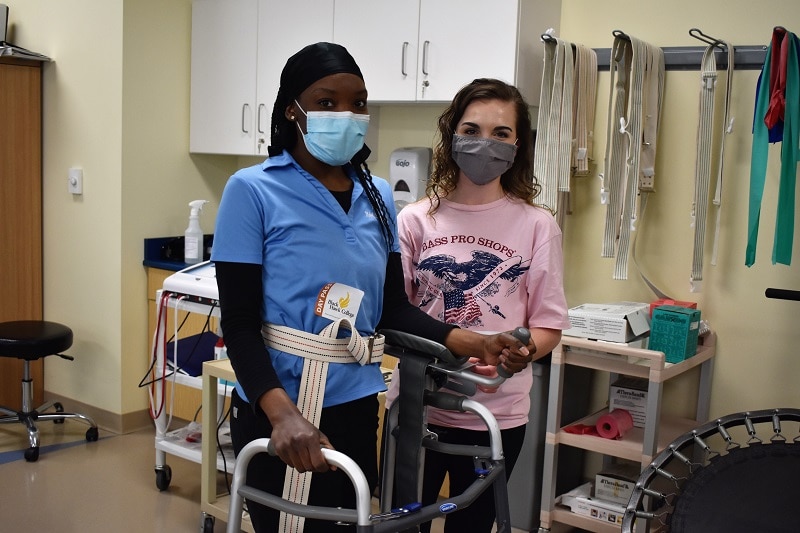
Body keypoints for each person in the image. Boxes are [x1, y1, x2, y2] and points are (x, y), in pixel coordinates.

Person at [210, 44, 533, 533]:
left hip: (357, 404)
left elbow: (392, 310)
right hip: (282, 411)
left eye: (358, 102)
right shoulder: (252, 190)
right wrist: (282, 415)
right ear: (291, 110)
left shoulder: (377, 194)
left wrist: (477, 342)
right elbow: (237, 324)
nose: (346, 114)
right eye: (326, 102)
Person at [385, 78, 571, 533]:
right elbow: (393, 313)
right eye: (471, 129)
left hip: (495, 415)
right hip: (415, 407)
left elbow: (547, 324)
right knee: (401, 526)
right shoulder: (414, 219)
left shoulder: (537, 226)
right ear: (452, 136)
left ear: (517, 144)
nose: (484, 144)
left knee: (474, 526)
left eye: (501, 133)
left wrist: (522, 351)